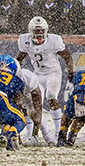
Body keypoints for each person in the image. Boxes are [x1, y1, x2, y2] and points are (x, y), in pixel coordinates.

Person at [16, 16, 75, 144]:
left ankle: (58, 132)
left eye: (41, 31)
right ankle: (32, 134)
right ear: (31, 31)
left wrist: (70, 72)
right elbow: (20, 57)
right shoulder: (24, 40)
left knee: (51, 98)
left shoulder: (54, 41)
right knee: (31, 103)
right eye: (36, 31)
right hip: (37, 73)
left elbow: (67, 57)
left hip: (53, 73)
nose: (39, 34)